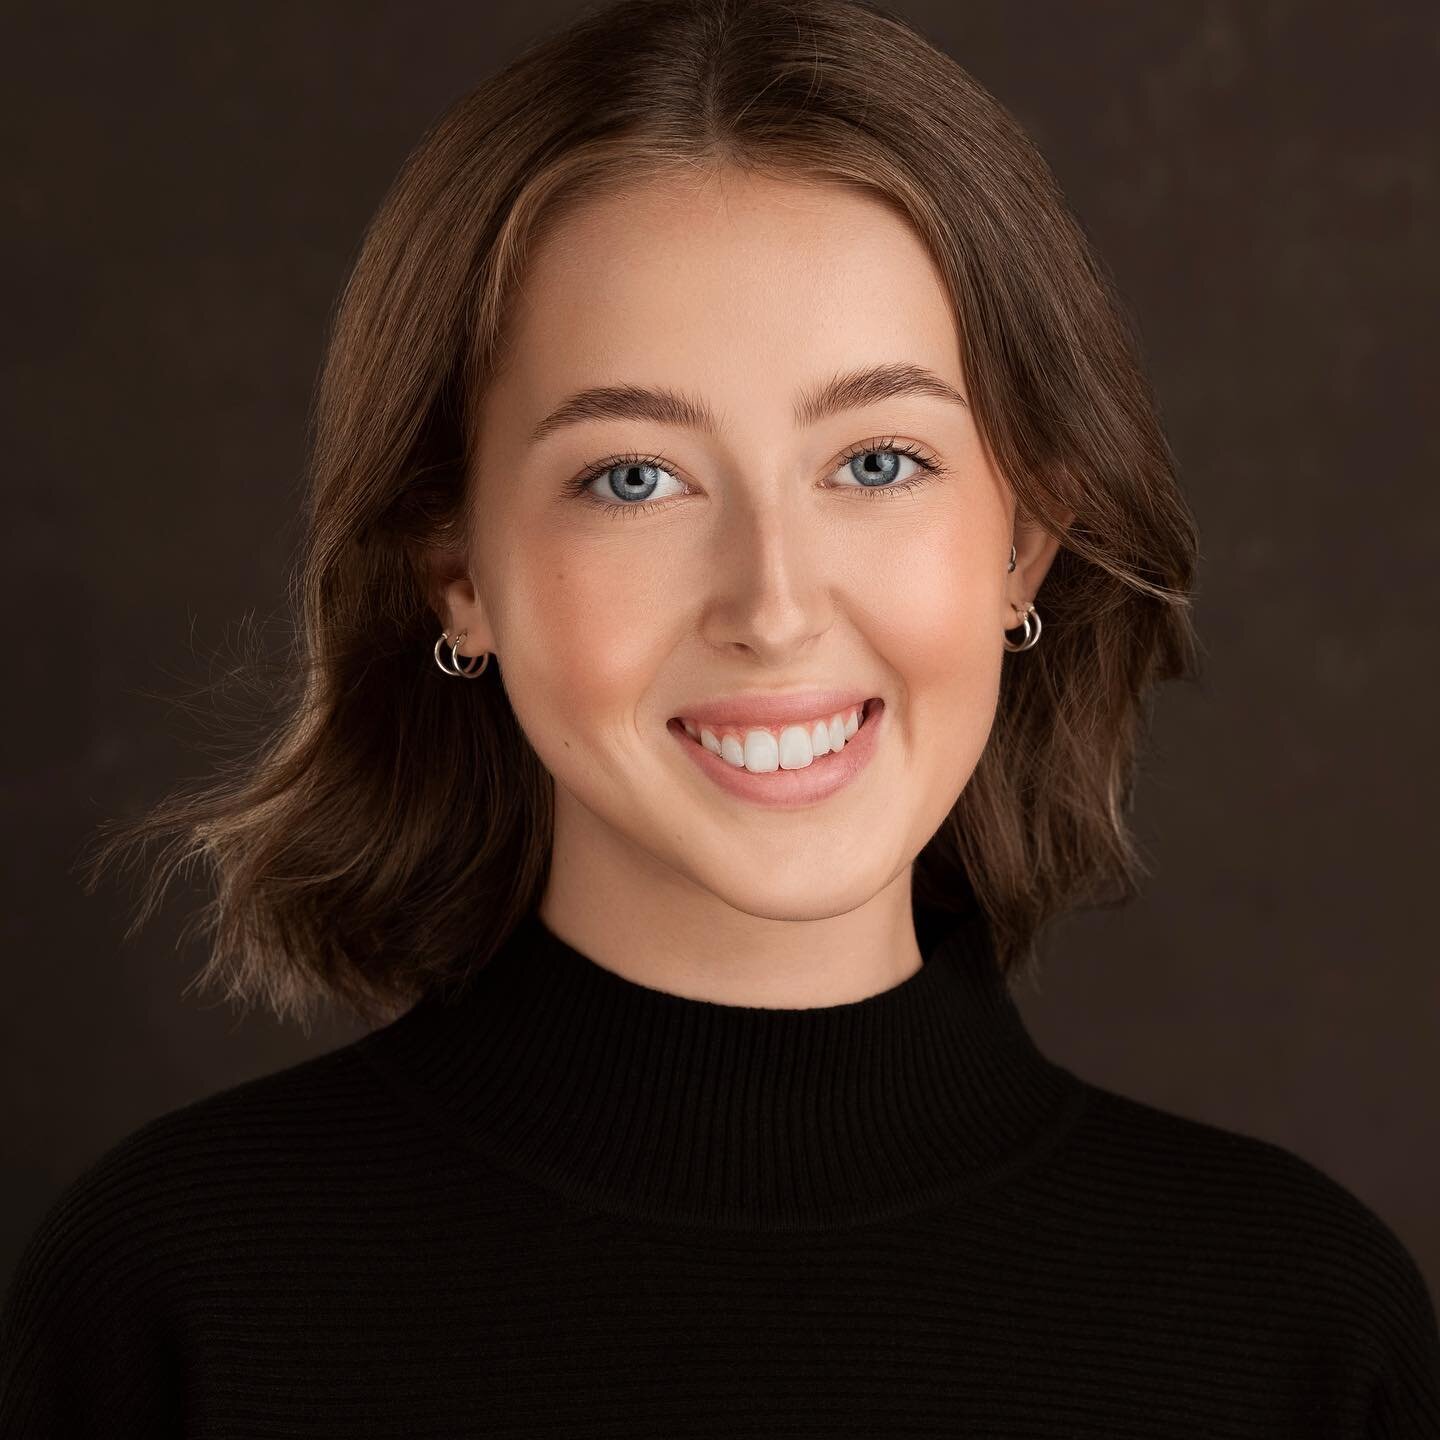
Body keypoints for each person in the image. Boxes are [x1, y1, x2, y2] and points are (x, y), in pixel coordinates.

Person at [3, 0, 1437, 1433]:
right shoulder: (171, 1310)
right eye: (634, 477)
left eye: (878, 460)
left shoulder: (1298, 1336)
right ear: (455, 573)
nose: (773, 605)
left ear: (1026, 542)